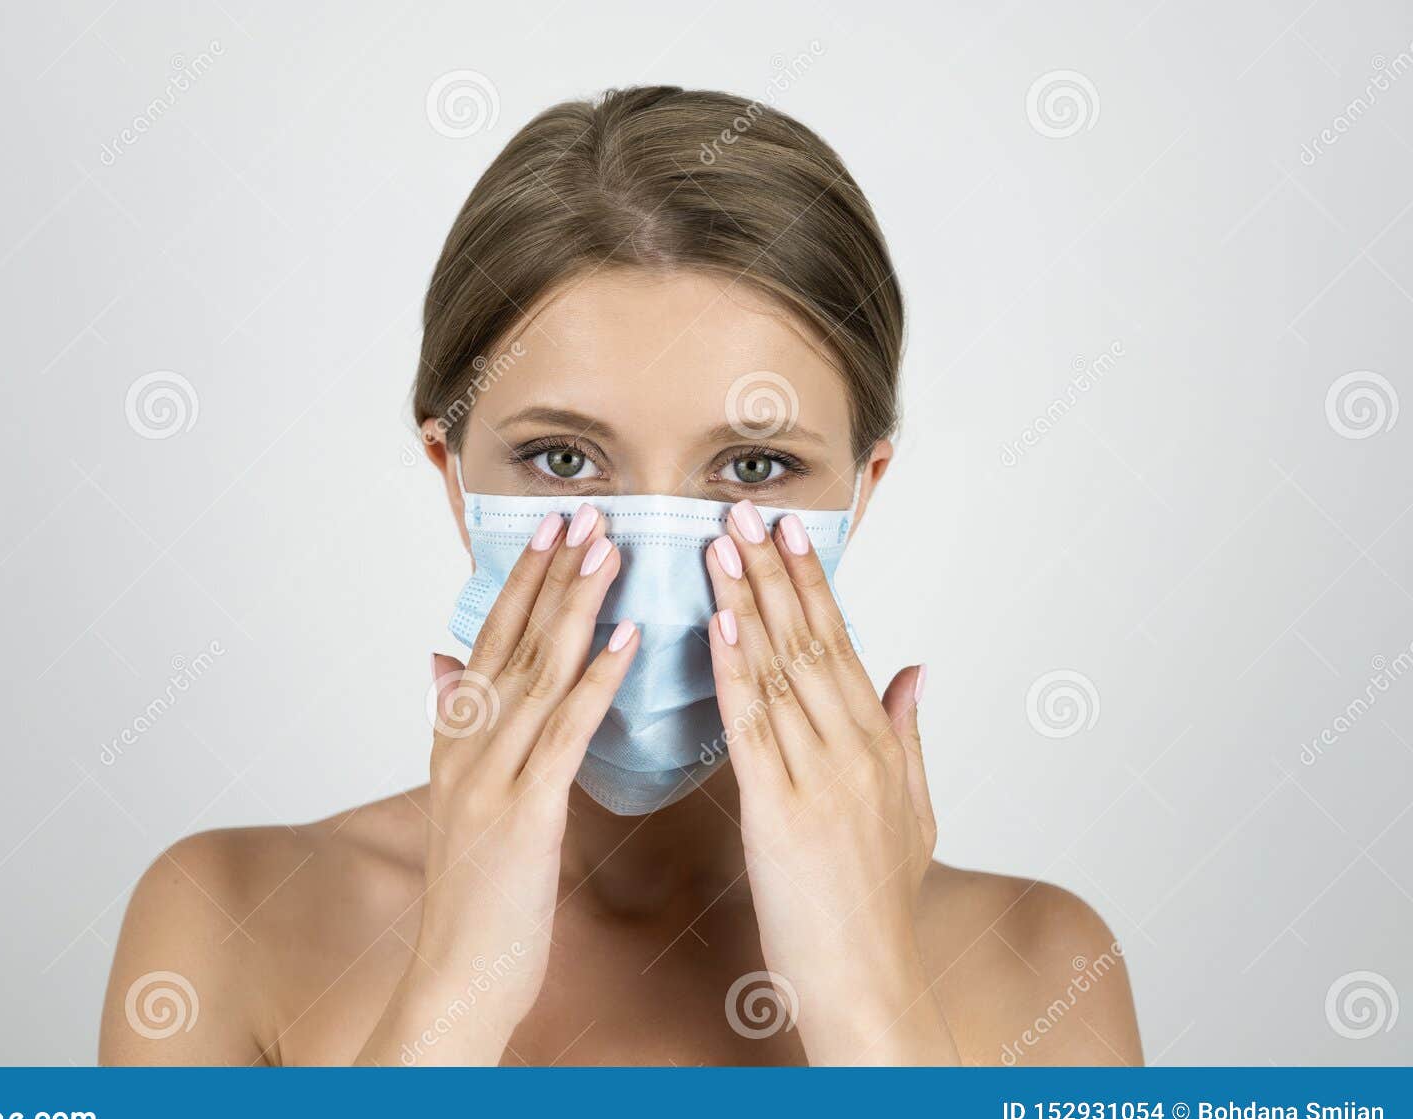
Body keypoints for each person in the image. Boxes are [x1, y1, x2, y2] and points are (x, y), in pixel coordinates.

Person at [100, 86, 1142, 1066]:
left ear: (859, 490)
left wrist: (866, 1000)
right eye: (563, 458)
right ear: (452, 477)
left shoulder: (1039, 964)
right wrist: (454, 991)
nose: (651, 563)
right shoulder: (228, 919)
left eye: (753, 465)